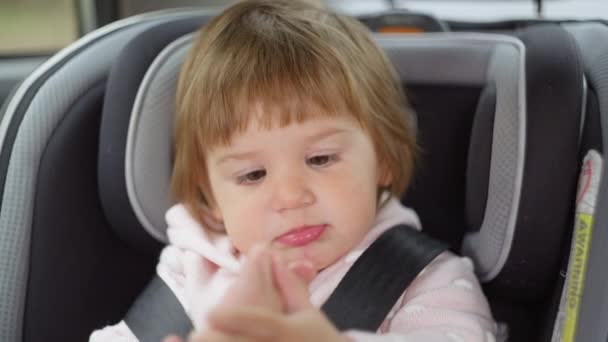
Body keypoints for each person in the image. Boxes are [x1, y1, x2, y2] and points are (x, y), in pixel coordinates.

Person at [90, 0, 498, 341]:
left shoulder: (429, 282)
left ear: (384, 162)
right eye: (252, 175)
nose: (290, 196)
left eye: (320, 159)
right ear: (211, 200)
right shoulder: (189, 273)